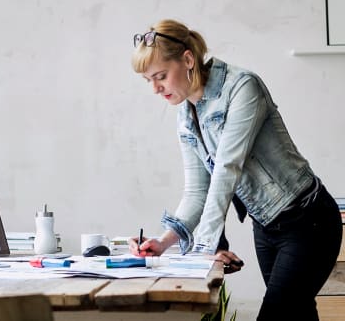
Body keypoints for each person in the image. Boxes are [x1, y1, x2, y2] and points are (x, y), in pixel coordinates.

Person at [127, 19, 342, 321]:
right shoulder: (186, 116)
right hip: (266, 229)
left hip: (308, 222)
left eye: (160, 76)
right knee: (298, 314)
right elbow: (197, 192)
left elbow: (227, 168)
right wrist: (164, 242)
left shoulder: (242, 87)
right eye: (148, 80)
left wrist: (206, 248)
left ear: (188, 59)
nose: (155, 88)